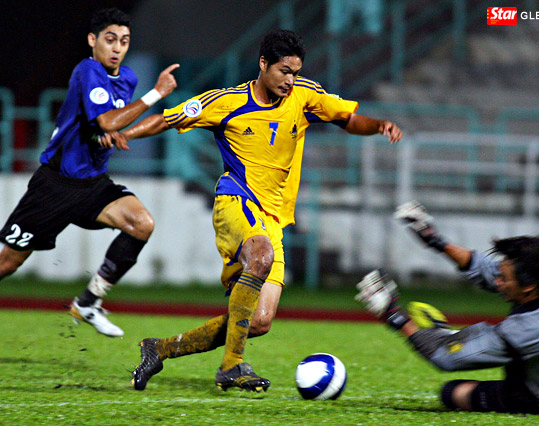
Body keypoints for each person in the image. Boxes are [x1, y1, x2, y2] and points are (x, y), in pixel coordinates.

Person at [101, 29, 402, 392]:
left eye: (295, 72)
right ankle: (232, 366)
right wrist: (126, 135)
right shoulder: (226, 101)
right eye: (284, 71)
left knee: (258, 321)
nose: (290, 80)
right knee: (259, 256)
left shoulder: (306, 96)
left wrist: (377, 126)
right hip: (236, 202)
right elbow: (168, 119)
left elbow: (348, 119)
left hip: (274, 218)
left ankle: (159, 349)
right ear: (263, 64)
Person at [0, 8, 179, 337]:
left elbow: (108, 123)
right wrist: (157, 94)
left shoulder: (126, 79)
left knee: (142, 224)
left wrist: (106, 134)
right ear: (92, 40)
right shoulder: (87, 70)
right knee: (8, 264)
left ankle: (88, 301)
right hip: (55, 185)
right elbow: (109, 121)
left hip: (92, 186)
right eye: (110, 40)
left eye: (124, 41)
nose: (117, 48)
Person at [355, 200, 539, 415]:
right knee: (508, 353)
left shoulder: (525, 331)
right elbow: (484, 269)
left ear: (528, 288)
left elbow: (445, 358)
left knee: (452, 393)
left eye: (504, 278)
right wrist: (435, 240)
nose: (497, 280)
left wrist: (393, 315)